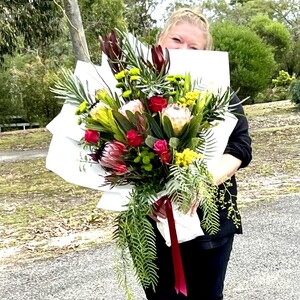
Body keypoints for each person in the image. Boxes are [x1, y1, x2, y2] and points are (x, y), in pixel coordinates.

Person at [143, 7, 252, 300]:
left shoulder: (220, 91)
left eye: (194, 46)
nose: (183, 50)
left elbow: (240, 147)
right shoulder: (133, 92)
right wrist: (147, 195)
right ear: (159, 42)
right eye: (176, 40)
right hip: (151, 226)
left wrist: (198, 183)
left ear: (205, 53)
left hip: (209, 221)